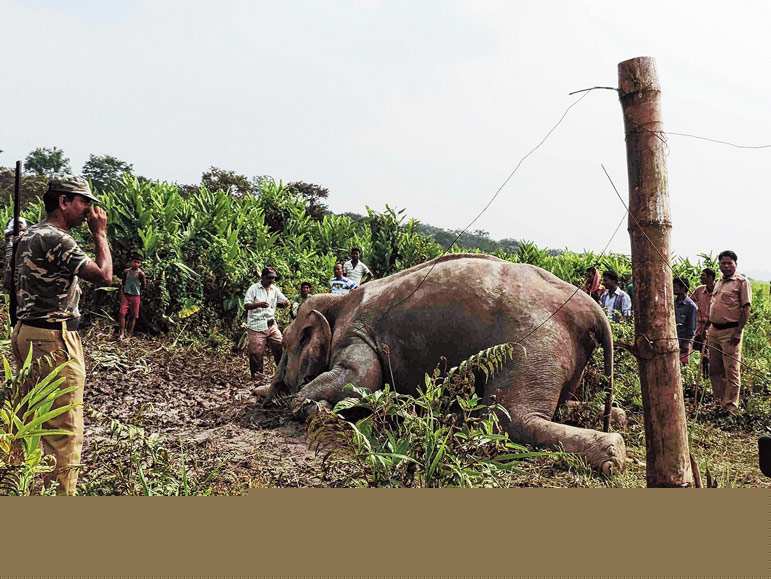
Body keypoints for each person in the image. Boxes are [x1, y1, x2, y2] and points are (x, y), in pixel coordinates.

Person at [11, 176, 113, 495]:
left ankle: (19, 489)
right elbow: (105, 276)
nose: (90, 210)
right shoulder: (58, 239)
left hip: (25, 332)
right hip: (53, 339)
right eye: (84, 202)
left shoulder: (27, 235)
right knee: (64, 430)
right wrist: (101, 234)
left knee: (28, 420)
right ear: (63, 202)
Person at [707, 250, 751, 413]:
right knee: (715, 369)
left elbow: (746, 308)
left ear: (735, 264)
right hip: (714, 331)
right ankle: (719, 403)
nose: (725, 266)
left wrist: (739, 331)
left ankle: (731, 407)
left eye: (729, 263)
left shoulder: (741, 282)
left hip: (730, 331)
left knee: (731, 369)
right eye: (722, 263)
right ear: (719, 265)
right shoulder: (719, 282)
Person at [244, 266, 290, 379]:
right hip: (256, 325)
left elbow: (282, 300)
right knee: (256, 352)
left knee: (280, 345)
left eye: (273, 278)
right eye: (269, 278)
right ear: (263, 277)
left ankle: (282, 371)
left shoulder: (274, 289)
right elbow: (246, 305)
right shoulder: (253, 289)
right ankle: (257, 374)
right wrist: (259, 304)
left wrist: (285, 302)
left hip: (271, 324)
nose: (271, 280)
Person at [691, 267, 716, 378]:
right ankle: (703, 375)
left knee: (710, 351)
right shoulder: (699, 290)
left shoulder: (718, 291)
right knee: (699, 349)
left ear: (710, 278)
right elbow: (690, 303)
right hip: (699, 326)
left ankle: (708, 375)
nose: (701, 278)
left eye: (703, 276)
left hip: (713, 326)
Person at [119, 255, 146, 340]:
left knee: (133, 316)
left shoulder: (141, 274)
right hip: (126, 295)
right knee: (122, 313)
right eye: (134, 262)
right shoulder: (126, 272)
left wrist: (136, 290)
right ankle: (122, 333)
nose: (135, 264)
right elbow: (123, 282)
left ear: (140, 264)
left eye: (138, 262)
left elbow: (144, 286)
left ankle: (129, 334)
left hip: (135, 296)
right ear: (131, 262)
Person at [673, 277, 697, 365]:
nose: (673, 289)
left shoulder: (691, 306)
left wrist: (687, 342)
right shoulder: (672, 303)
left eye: (675, 287)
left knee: (682, 364)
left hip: (683, 340)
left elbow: (692, 327)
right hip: (673, 338)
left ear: (683, 288)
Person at [3, 216, 28, 292]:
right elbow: (8, 234)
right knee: (8, 269)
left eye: (21, 223)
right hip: (10, 251)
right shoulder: (9, 231)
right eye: (17, 223)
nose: (19, 224)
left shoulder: (26, 231)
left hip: (22, 252)